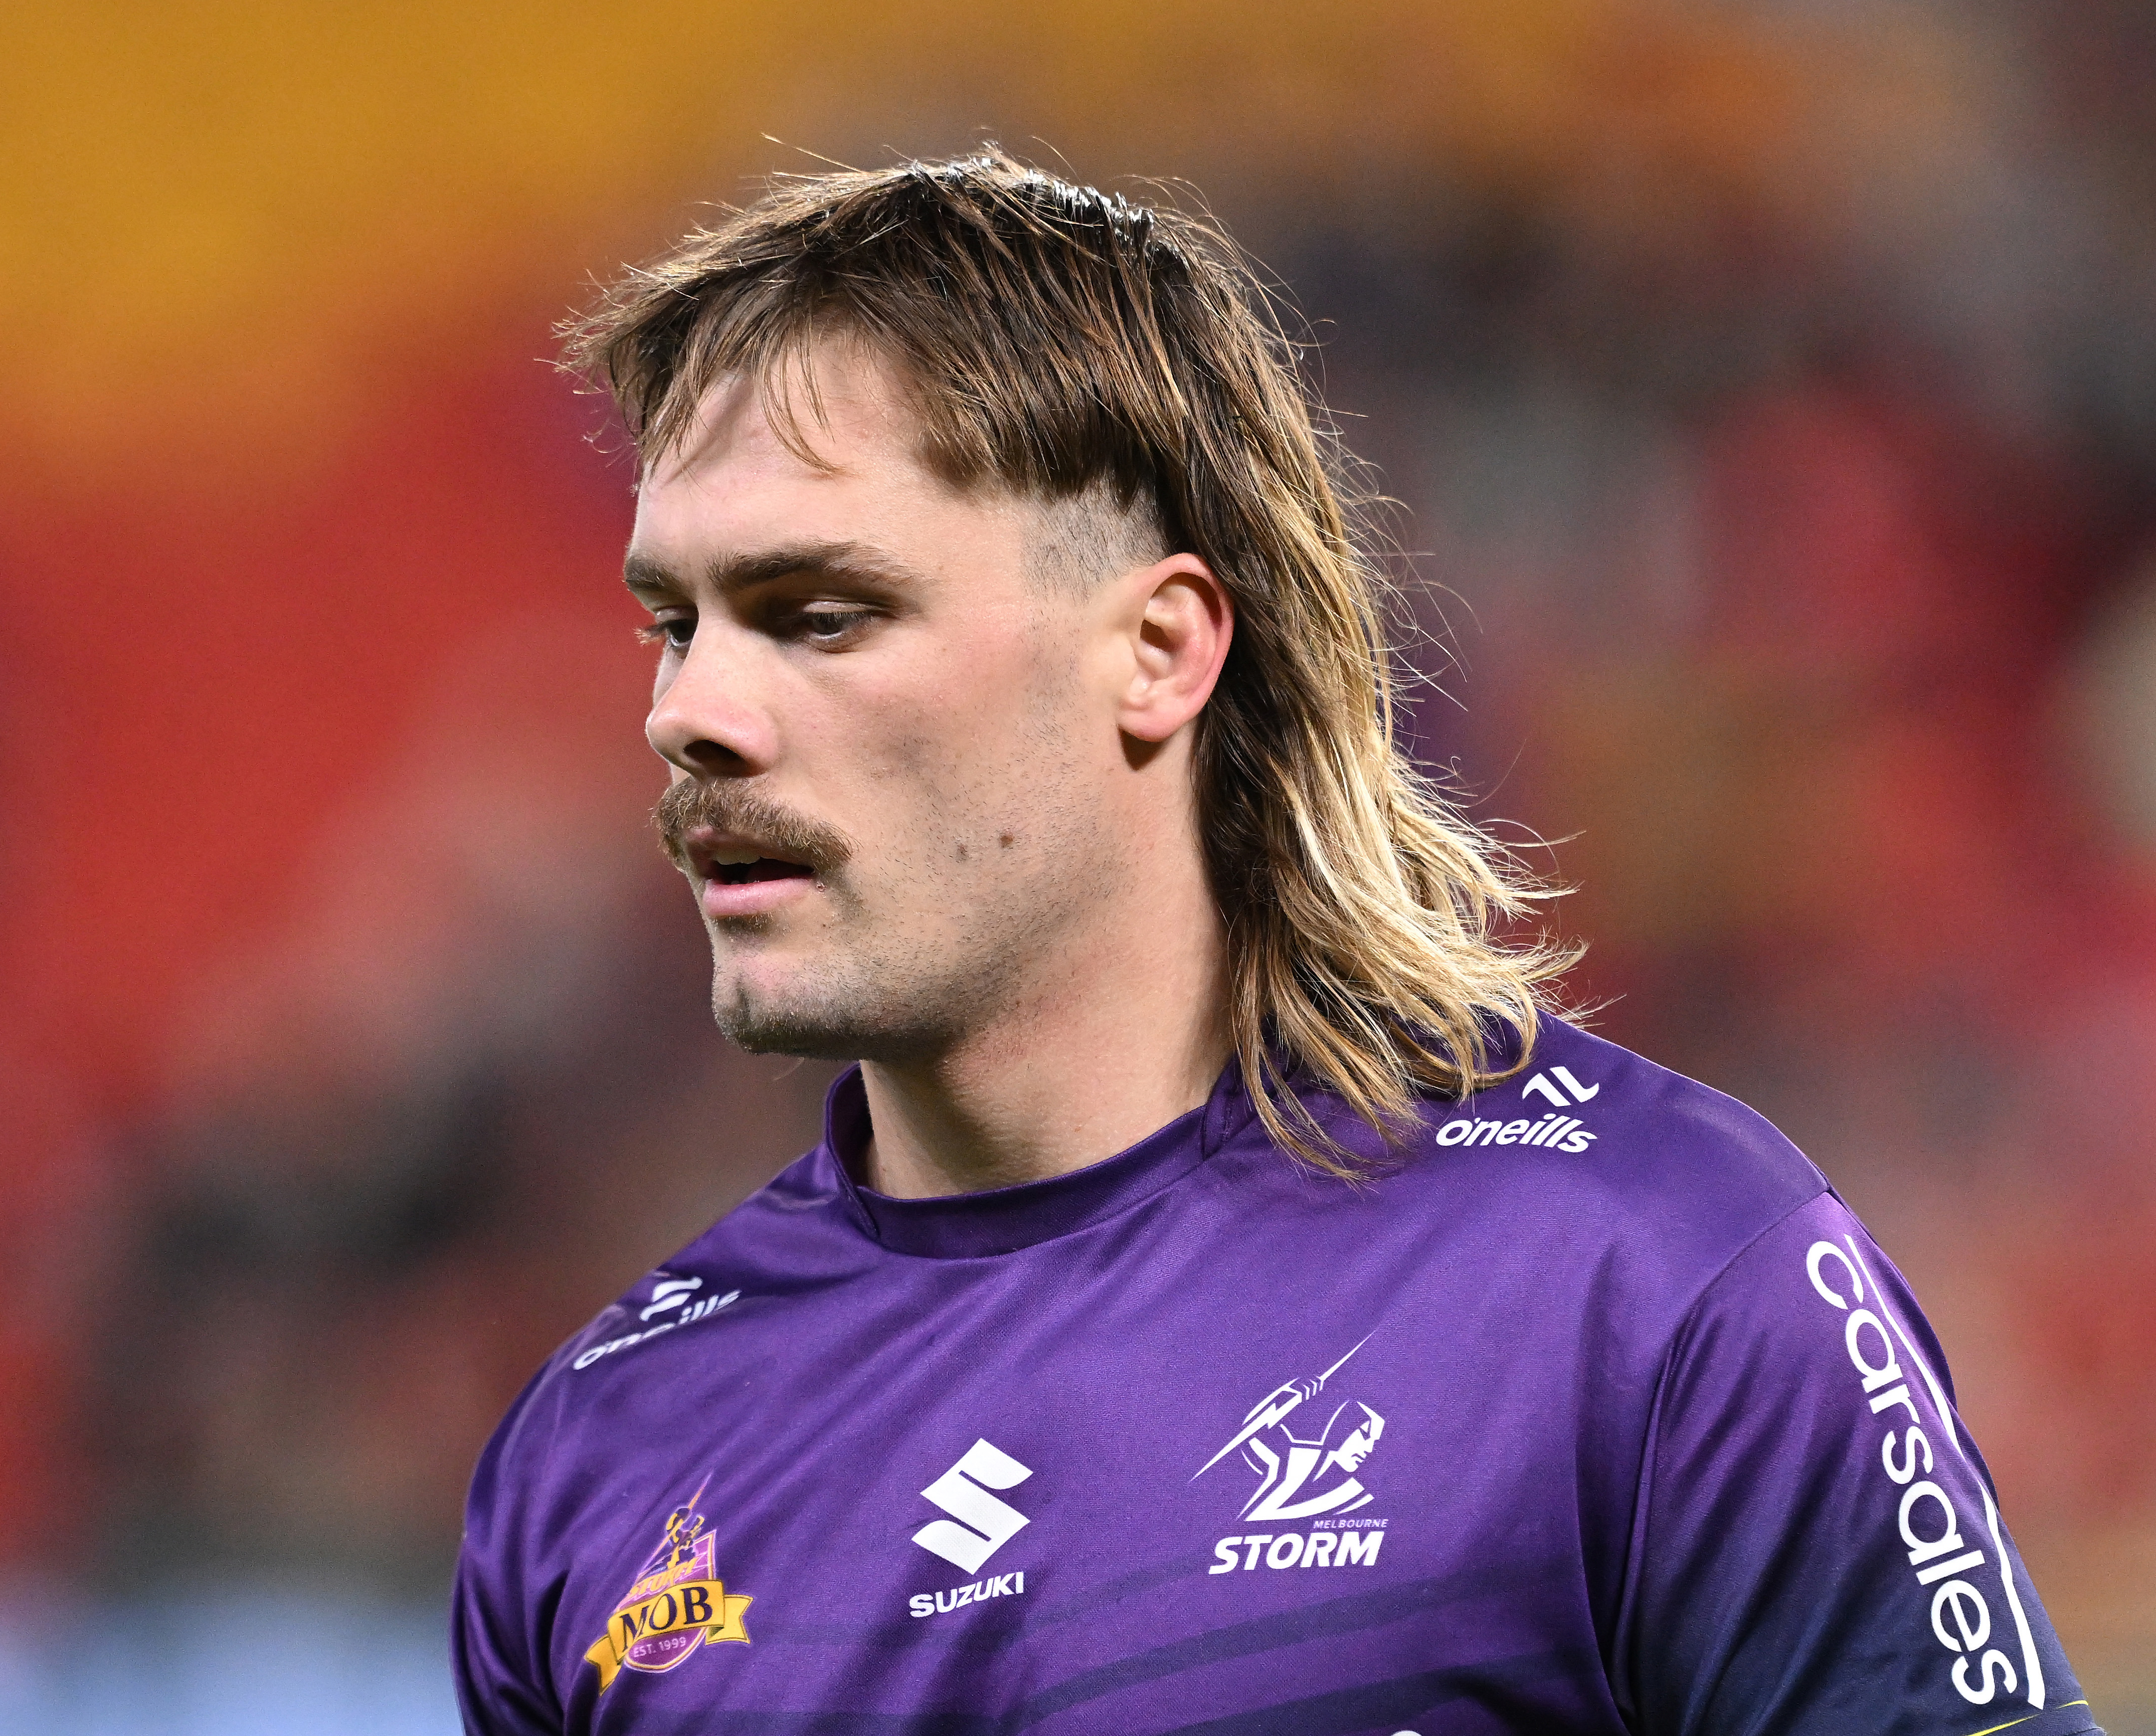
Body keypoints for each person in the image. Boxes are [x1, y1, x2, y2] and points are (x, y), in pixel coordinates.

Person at [452, 152, 2099, 1735]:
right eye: (675, 623)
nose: (691, 712)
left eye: (822, 615)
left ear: (1159, 649)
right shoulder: (598, 1456)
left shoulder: (1653, 1281)